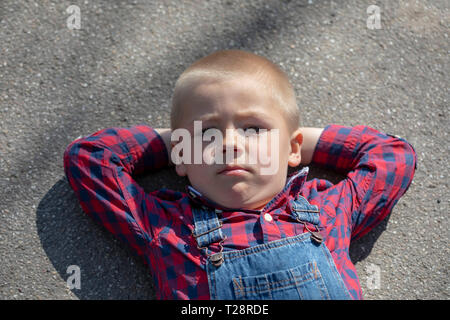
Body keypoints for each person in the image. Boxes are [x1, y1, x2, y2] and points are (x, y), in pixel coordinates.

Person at [63, 49, 417, 299]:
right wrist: (177, 142)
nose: (230, 143)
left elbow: (393, 156)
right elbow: (90, 158)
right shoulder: (165, 227)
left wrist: (293, 141)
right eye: (209, 134)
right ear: (180, 155)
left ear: (294, 150)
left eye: (252, 129)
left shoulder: (328, 209)